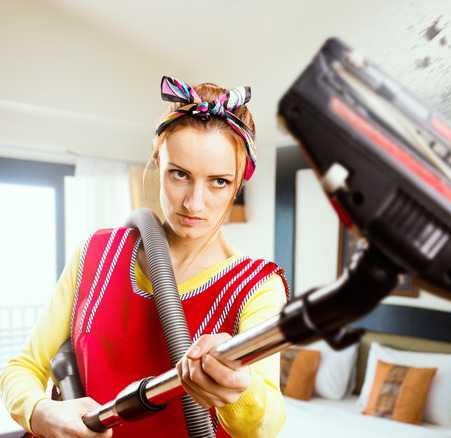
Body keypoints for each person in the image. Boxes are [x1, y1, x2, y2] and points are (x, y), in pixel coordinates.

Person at [0, 76, 289, 438]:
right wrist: (41, 413)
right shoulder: (96, 253)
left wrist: (239, 389)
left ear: (239, 182)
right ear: (157, 163)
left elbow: (267, 425)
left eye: (219, 181)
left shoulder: (258, 287)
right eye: (179, 174)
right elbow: (22, 367)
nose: (194, 204)